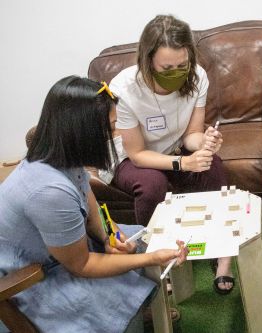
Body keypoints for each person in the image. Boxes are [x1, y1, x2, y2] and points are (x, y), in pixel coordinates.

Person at [0, 76, 189, 333]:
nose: (117, 134)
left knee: (141, 239)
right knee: (134, 273)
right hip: (33, 279)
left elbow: (89, 203)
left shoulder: (63, 158)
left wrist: (109, 235)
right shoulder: (49, 192)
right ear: (84, 133)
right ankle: (129, 315)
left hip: (65, 252)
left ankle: (138, 306)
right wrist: (150, 259)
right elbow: (82, 265)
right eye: (112, 127)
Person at [109, 15, 233, 294]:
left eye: (182, 65)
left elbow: (191, 136)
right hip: (131, 158)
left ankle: (222, 257)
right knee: (153, 184)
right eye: (167, 67)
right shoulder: (124, 89)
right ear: (147, 60)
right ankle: (154, 263)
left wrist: (207, 143)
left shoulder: (198, 75)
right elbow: (138, 154)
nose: (176, 72)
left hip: (174, 150)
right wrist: (183, 162)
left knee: (213, 167)